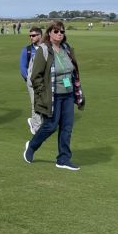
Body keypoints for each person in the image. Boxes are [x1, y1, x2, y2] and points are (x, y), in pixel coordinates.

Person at [23, 20, 84, 171]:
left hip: (68, 94)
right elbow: (35, 76)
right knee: (50, 126)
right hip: (52, 95)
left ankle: (63, 159)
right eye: (56, 31)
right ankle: (31, 146)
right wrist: (42, 93)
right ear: (49, 33)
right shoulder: (43, 50)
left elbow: (73, 71)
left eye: (62, 32)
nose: (59, 34)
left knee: (67, 127)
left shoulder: (66, 48)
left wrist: (76, 90)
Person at [19, 26, 44, 135]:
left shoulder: (47, 48)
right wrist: (29, 79)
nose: (31, 37)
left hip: (45, 82)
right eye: (30, 35)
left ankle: (34, 121)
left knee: (45, 103)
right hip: (32, 82)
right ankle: (36, 128)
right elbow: (22, 67)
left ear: (40, 35)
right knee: (35, 104)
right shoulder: (27, 50)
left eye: (33, 35)